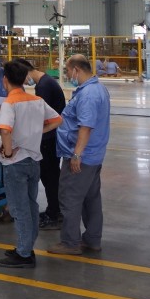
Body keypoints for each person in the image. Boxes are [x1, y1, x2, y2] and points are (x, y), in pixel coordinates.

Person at [0, 61, 62, 268]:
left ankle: (24, 254)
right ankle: (26, 246)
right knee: (31, 205)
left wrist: (7, 152)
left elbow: (5, 130)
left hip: (16, 163)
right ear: (25, 79)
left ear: (5, 80)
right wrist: (36, 134)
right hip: (34, 161)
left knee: (19, 208)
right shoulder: (37, 100)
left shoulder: (9, 103)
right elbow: (58, 119)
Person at [47, 54, 112, 256]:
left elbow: (86, 127)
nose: (67, 75)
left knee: (70, 199)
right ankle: (92, 240)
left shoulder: (89, 95)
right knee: (91, 199)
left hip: (82, 157)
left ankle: (70, 242)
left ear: (76, 69)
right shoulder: (97, 89)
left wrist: (76, 155)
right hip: (93, 156)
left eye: (67, 71)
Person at [16, 58, 66, 230]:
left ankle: (55, 214)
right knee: (50, 176)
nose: (23, 82)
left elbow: (42, 115)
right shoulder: (45, 82)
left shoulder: (43, 86)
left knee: (50, 176)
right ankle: (54, 209)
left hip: (48, 138)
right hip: (50, 136)